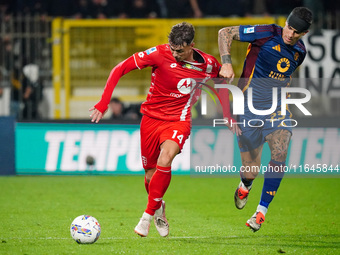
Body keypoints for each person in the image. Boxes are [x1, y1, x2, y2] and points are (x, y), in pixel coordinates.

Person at [90, 22, 232, 237]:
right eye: (172, 49)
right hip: (150, 120)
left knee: (165, 160)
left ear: (192, 45)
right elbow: (119, 69)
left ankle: (146, 217)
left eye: (180, 50)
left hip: (178, 120)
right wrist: (103, 103)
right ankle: (159, 208)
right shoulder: (158, 53)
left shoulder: (209, 65)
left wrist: (228, 115)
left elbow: (221, 85)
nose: (175, 54)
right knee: (150, 175)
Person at [218, 7, 313, 232]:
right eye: (289, 28)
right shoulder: (266, 32)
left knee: (280, 150)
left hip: (277, 109)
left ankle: (261, 211)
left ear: (304, 33)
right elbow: (224, 33)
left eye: (297, 32)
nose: (290, 34)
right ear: (286, 23)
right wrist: (226, 62)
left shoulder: (300, 51)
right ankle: (245, 184)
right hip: (248, 107)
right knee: (251, 170)